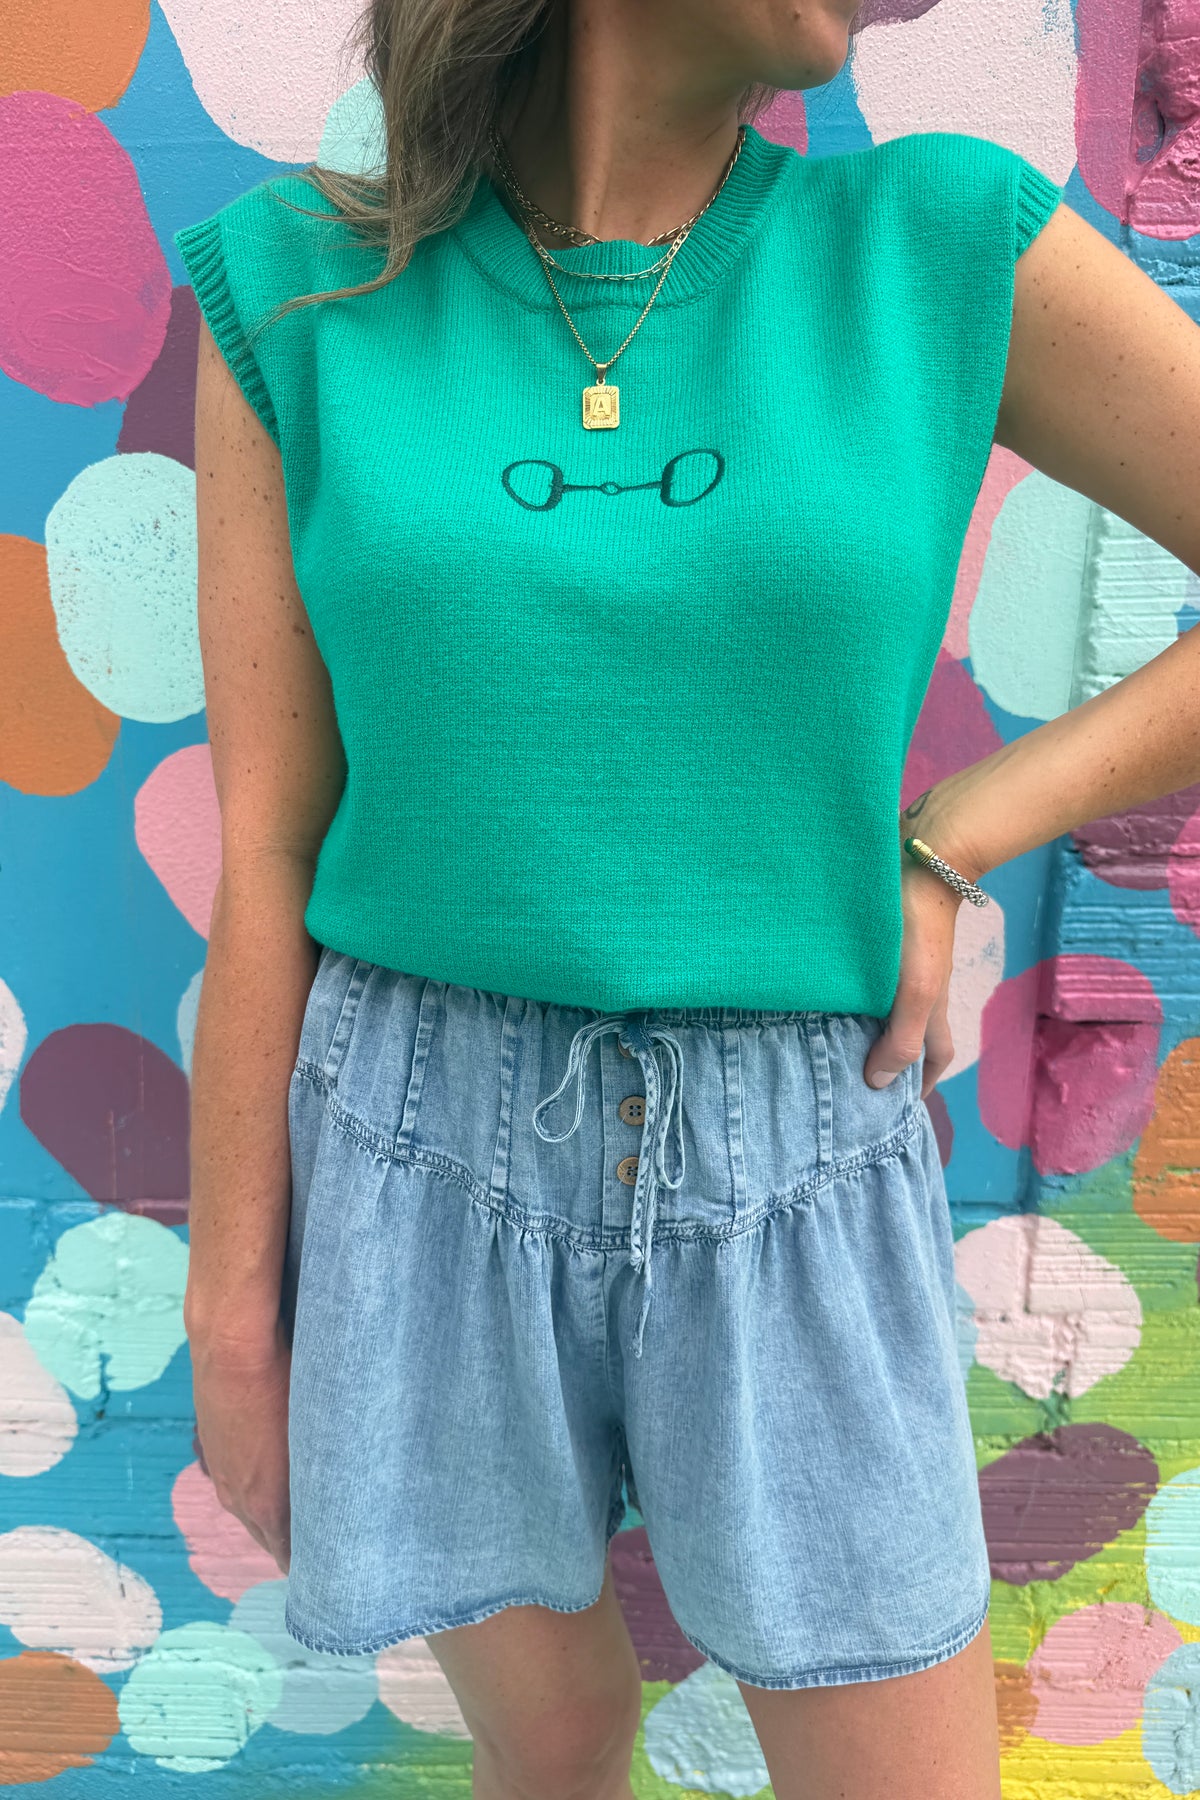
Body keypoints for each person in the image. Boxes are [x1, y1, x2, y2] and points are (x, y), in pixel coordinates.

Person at [174, 1, 1200, 1794]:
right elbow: (267, 844)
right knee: (555, 1737)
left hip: (796, 1152)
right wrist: (230, 1313)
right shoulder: (301, 287)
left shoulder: (937, 242)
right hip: (413, 1152)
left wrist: (968, 824)